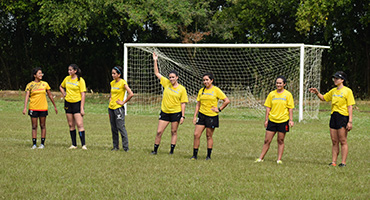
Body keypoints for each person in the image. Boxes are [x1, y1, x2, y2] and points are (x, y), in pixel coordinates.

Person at [309, 71, 355, 167]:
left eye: (337, 78)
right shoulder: (333, 91)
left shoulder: (348, 91)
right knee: (334, 141)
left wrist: (350, 121)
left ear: (342, 80)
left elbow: (350, 106)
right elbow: (323, 98)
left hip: (343, 116)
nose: (335, 80)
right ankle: (333, 162)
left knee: (343, 140)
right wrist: (317, 93)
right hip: (334, 116)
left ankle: (343, 162)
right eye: (334, 78)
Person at [151, 52, 189, 155]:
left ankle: (171, 151)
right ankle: (155, 150)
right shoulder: (166, 83)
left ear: (177, 77)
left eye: (173, 77)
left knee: (173, 132)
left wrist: (183, 116)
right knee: (159, 132)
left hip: (176, 113)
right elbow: (157, 73)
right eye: (170, 77)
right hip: (165, 112)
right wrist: (155, 61)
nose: (171, 79)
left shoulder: (182, 89)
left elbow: (183, 103)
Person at [255, 75, 294, 164]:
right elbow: (268, 107)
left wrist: (291, 120)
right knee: (267, 140)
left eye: (280, 83)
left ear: (284, 84)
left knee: (280, 140)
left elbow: (290, 108)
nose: (278, 84)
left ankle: (279, 159)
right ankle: (260, 158)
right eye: (277, 83)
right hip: (272, 120)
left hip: (283, 121)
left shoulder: (288, 95)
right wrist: (266, 120)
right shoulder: (271, 94)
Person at [190, 72, 230, 160]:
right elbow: (198, 104)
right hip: (201, 115)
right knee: (196, 134)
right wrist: (194, 116)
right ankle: (194, 155)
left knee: (209, 136)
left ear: (211, 80)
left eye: (207, 80)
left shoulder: (216, 90)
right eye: (204, 80)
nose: (205, 82)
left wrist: (219, 109)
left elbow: (226, 100)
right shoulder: (201, 91)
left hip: (211, 116)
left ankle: (208, 156)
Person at [23, 67, 58, 149]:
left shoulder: (45, 84)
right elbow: (27, 97)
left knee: (43, 125)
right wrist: (25, 107)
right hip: (33, 108)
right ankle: (34, 144)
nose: (41, 74)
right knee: (34, 126)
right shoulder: (30, 85)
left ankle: (42, 144)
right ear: (35, 75)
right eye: (39, 73)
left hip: (43, 108)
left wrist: (54, 106)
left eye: (41, 73)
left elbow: (50, 95)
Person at [59, 64, 87, 150]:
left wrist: (81, 108)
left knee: (79, 124)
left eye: (71, 70)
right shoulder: (67, 79)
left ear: (75, 71)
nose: (69, 71)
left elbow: (83, 94)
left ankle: (83, 145)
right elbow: (61, 86)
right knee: (71, 124)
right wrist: (63, 93)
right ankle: (74, 144)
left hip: (77, 103)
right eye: (68, 70)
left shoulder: (80, 80)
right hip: (68, 103)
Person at [109, 66, 134, 151]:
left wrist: (123, 102)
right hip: (111, 108)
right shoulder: (112, 83)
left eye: (114, 73)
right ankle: (115, 146)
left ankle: (125, 147)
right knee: (113, 128)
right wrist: (110, 98)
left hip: (118, 108)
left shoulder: (123, 83)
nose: (112, 75)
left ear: (119, 74)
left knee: (120, 127)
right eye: (112, 73)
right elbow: (111, 93)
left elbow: (131, 93)